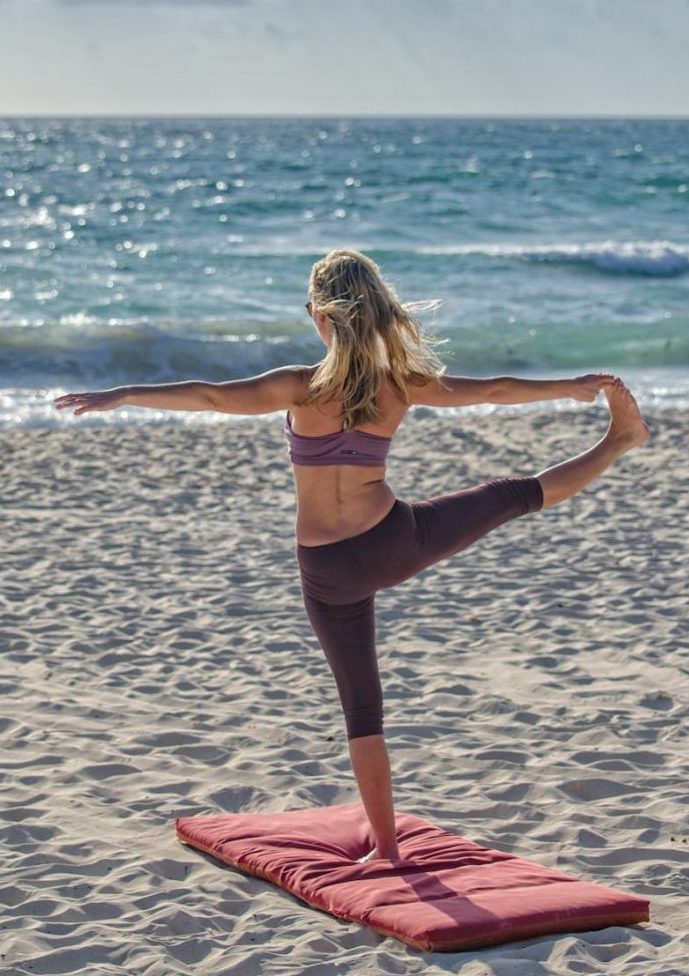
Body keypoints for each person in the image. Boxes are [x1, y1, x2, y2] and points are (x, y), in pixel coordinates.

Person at [53, 248, 650, 864]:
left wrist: (123, 393)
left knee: (362, 709)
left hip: (326, 570)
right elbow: (493, 390)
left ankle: (386, 849)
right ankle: (618, 442)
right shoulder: (399, 386)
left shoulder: (297, 386)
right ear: (378, 312)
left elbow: (209, 397)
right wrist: (570, 386)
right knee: (511, 496)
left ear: (319, 315)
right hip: (394, 542)